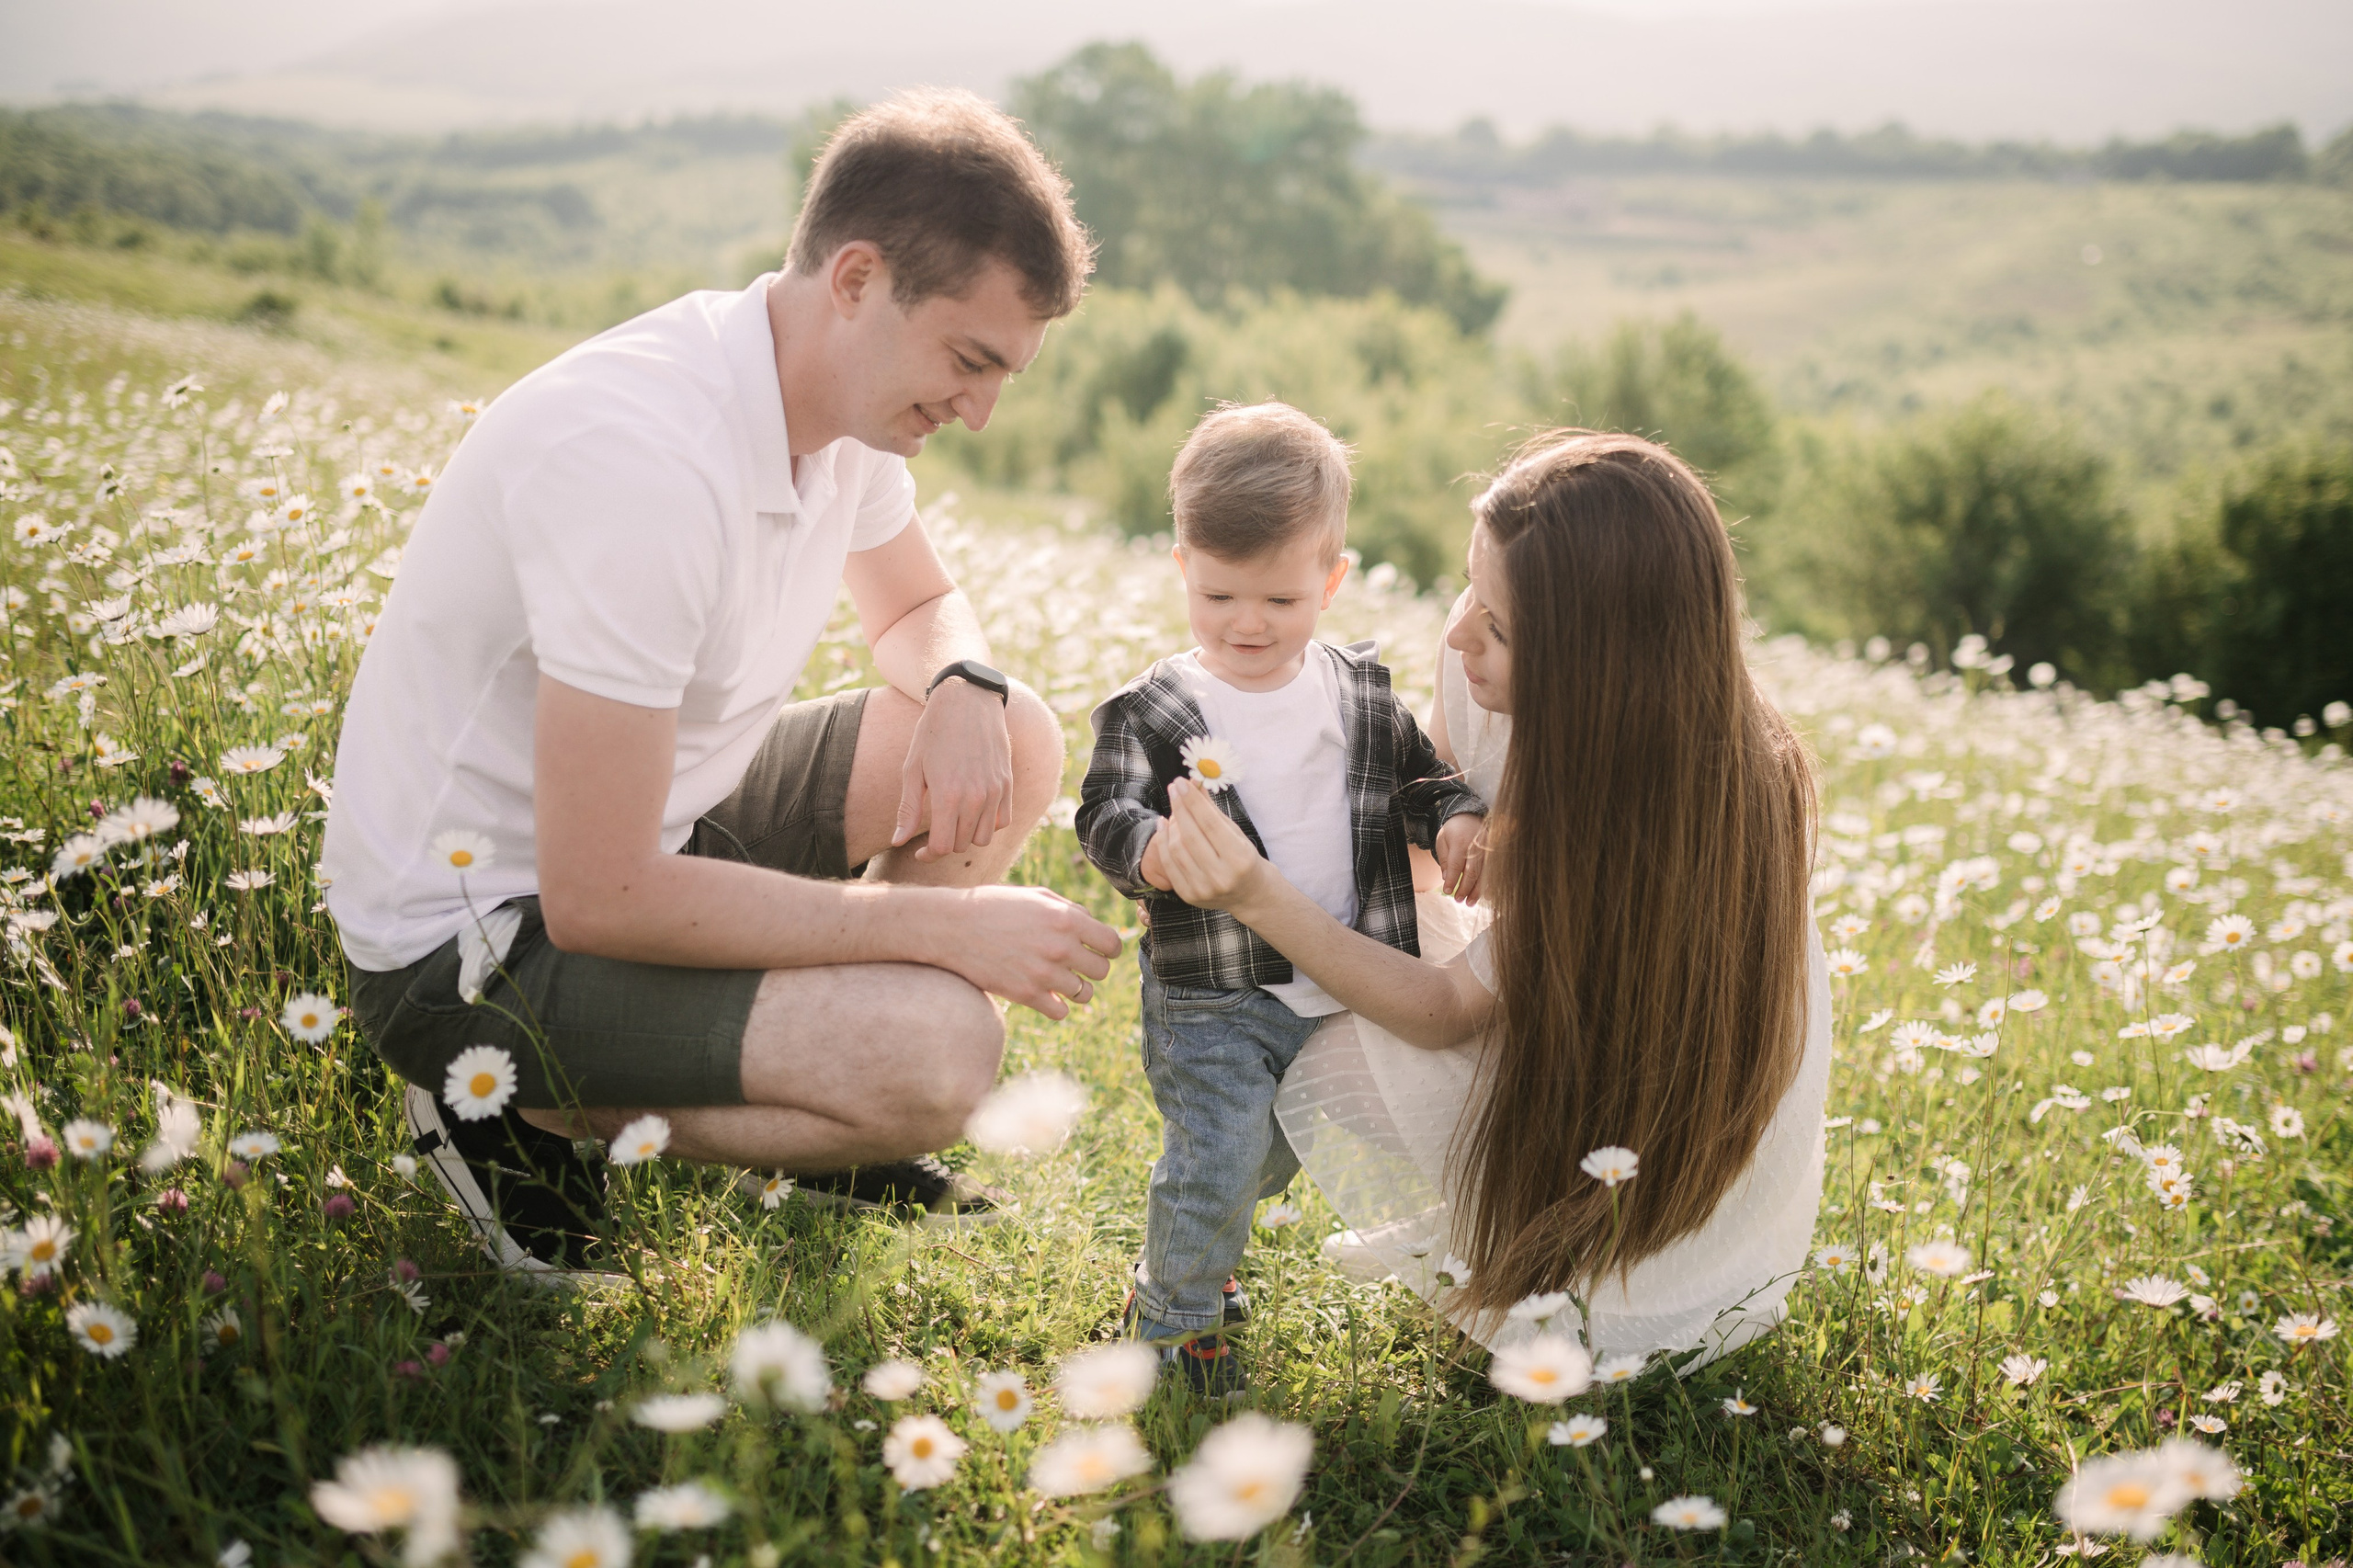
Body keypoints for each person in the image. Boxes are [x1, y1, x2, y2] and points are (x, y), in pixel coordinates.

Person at [320, 91, 1121, 1286]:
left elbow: (911, 607)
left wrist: (961, 675)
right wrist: (940, 933)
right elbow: (601, 895)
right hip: (477, 942)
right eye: (970, 359)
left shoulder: (836, 402)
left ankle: (804, 1080)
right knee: (942, 1053)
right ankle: (511, 1111)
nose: (980, 409)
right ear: (856, 279)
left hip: (658, 826)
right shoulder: (642, 463)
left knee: (1014, 735)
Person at [1149, 430, 1832, 1369]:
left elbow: (1438, 1011)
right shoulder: (1484, 665)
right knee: (1333, 955)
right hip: (1550, 1003)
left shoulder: (1645, 807)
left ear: (1598, 663)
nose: (1459, 632)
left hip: (1634, 1124)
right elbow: (1410, 840)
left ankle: (1517, 1225)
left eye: (1500, 625)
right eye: (1471, 588)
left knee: (1329, 1045)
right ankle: (1465, 1207)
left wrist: (1256, 894)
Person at [1076, 403, 1487, 1394]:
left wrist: (1458, 821)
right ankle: (1174, 1323)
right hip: (1211, 992)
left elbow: (1423, 780)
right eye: (1218, 595)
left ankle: (1199, 1253)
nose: (1247, 623)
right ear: (1182, 567)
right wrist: (1152, 852)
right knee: (1217, 1152)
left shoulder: (1358, 697)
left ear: (1331, 581)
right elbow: (1101, 814)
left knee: (1271, 1154)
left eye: (1278, 598)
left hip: (1335, 977)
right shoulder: (1157, 709)